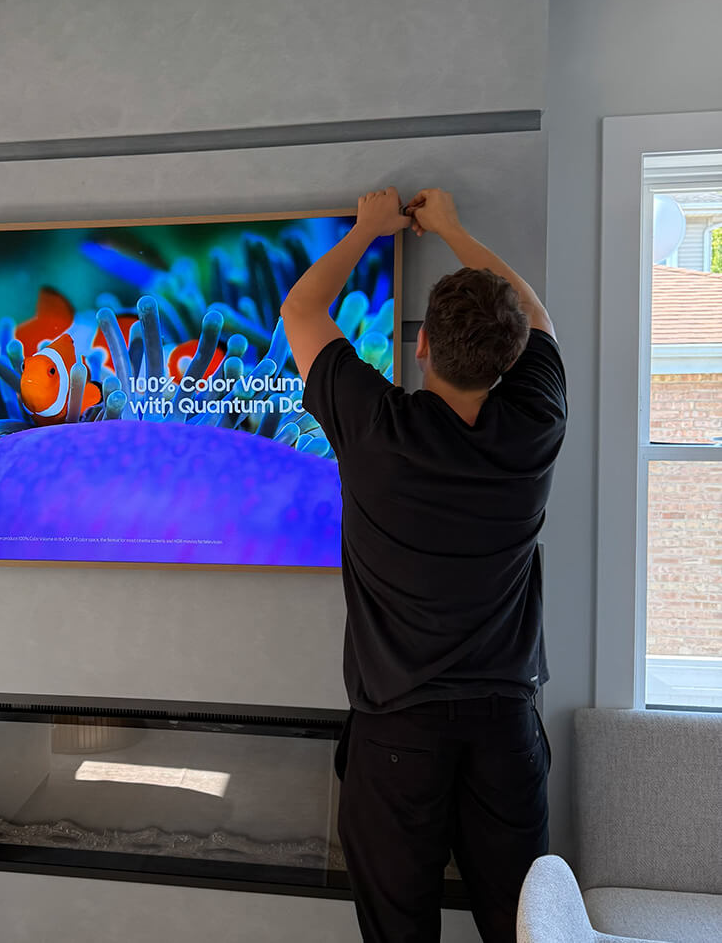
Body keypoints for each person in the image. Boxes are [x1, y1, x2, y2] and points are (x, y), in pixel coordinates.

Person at [280, 187, 567, 943]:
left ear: (421, 347)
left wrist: (368, 230)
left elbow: (300, 312)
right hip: (505, 729)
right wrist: (453, 229)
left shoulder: (377, 430)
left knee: (398, 933)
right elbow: (536, 317)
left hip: (397, 731)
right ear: (511, 361)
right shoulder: (534, 426)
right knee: (522, 928)